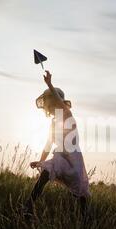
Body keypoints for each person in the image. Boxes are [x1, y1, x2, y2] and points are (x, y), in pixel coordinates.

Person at [24, 70, 90, 218]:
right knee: (46, 172)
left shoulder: (67, 114)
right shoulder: (53, 123)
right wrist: (41, 162)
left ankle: (86, 218)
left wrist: (49, 84)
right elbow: (48, 145)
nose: (49, 106)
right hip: (60, 156)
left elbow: (60, 104)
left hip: (73, 159)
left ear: (55, 102)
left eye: (51, 101)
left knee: (79, 192)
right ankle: (28, 207)